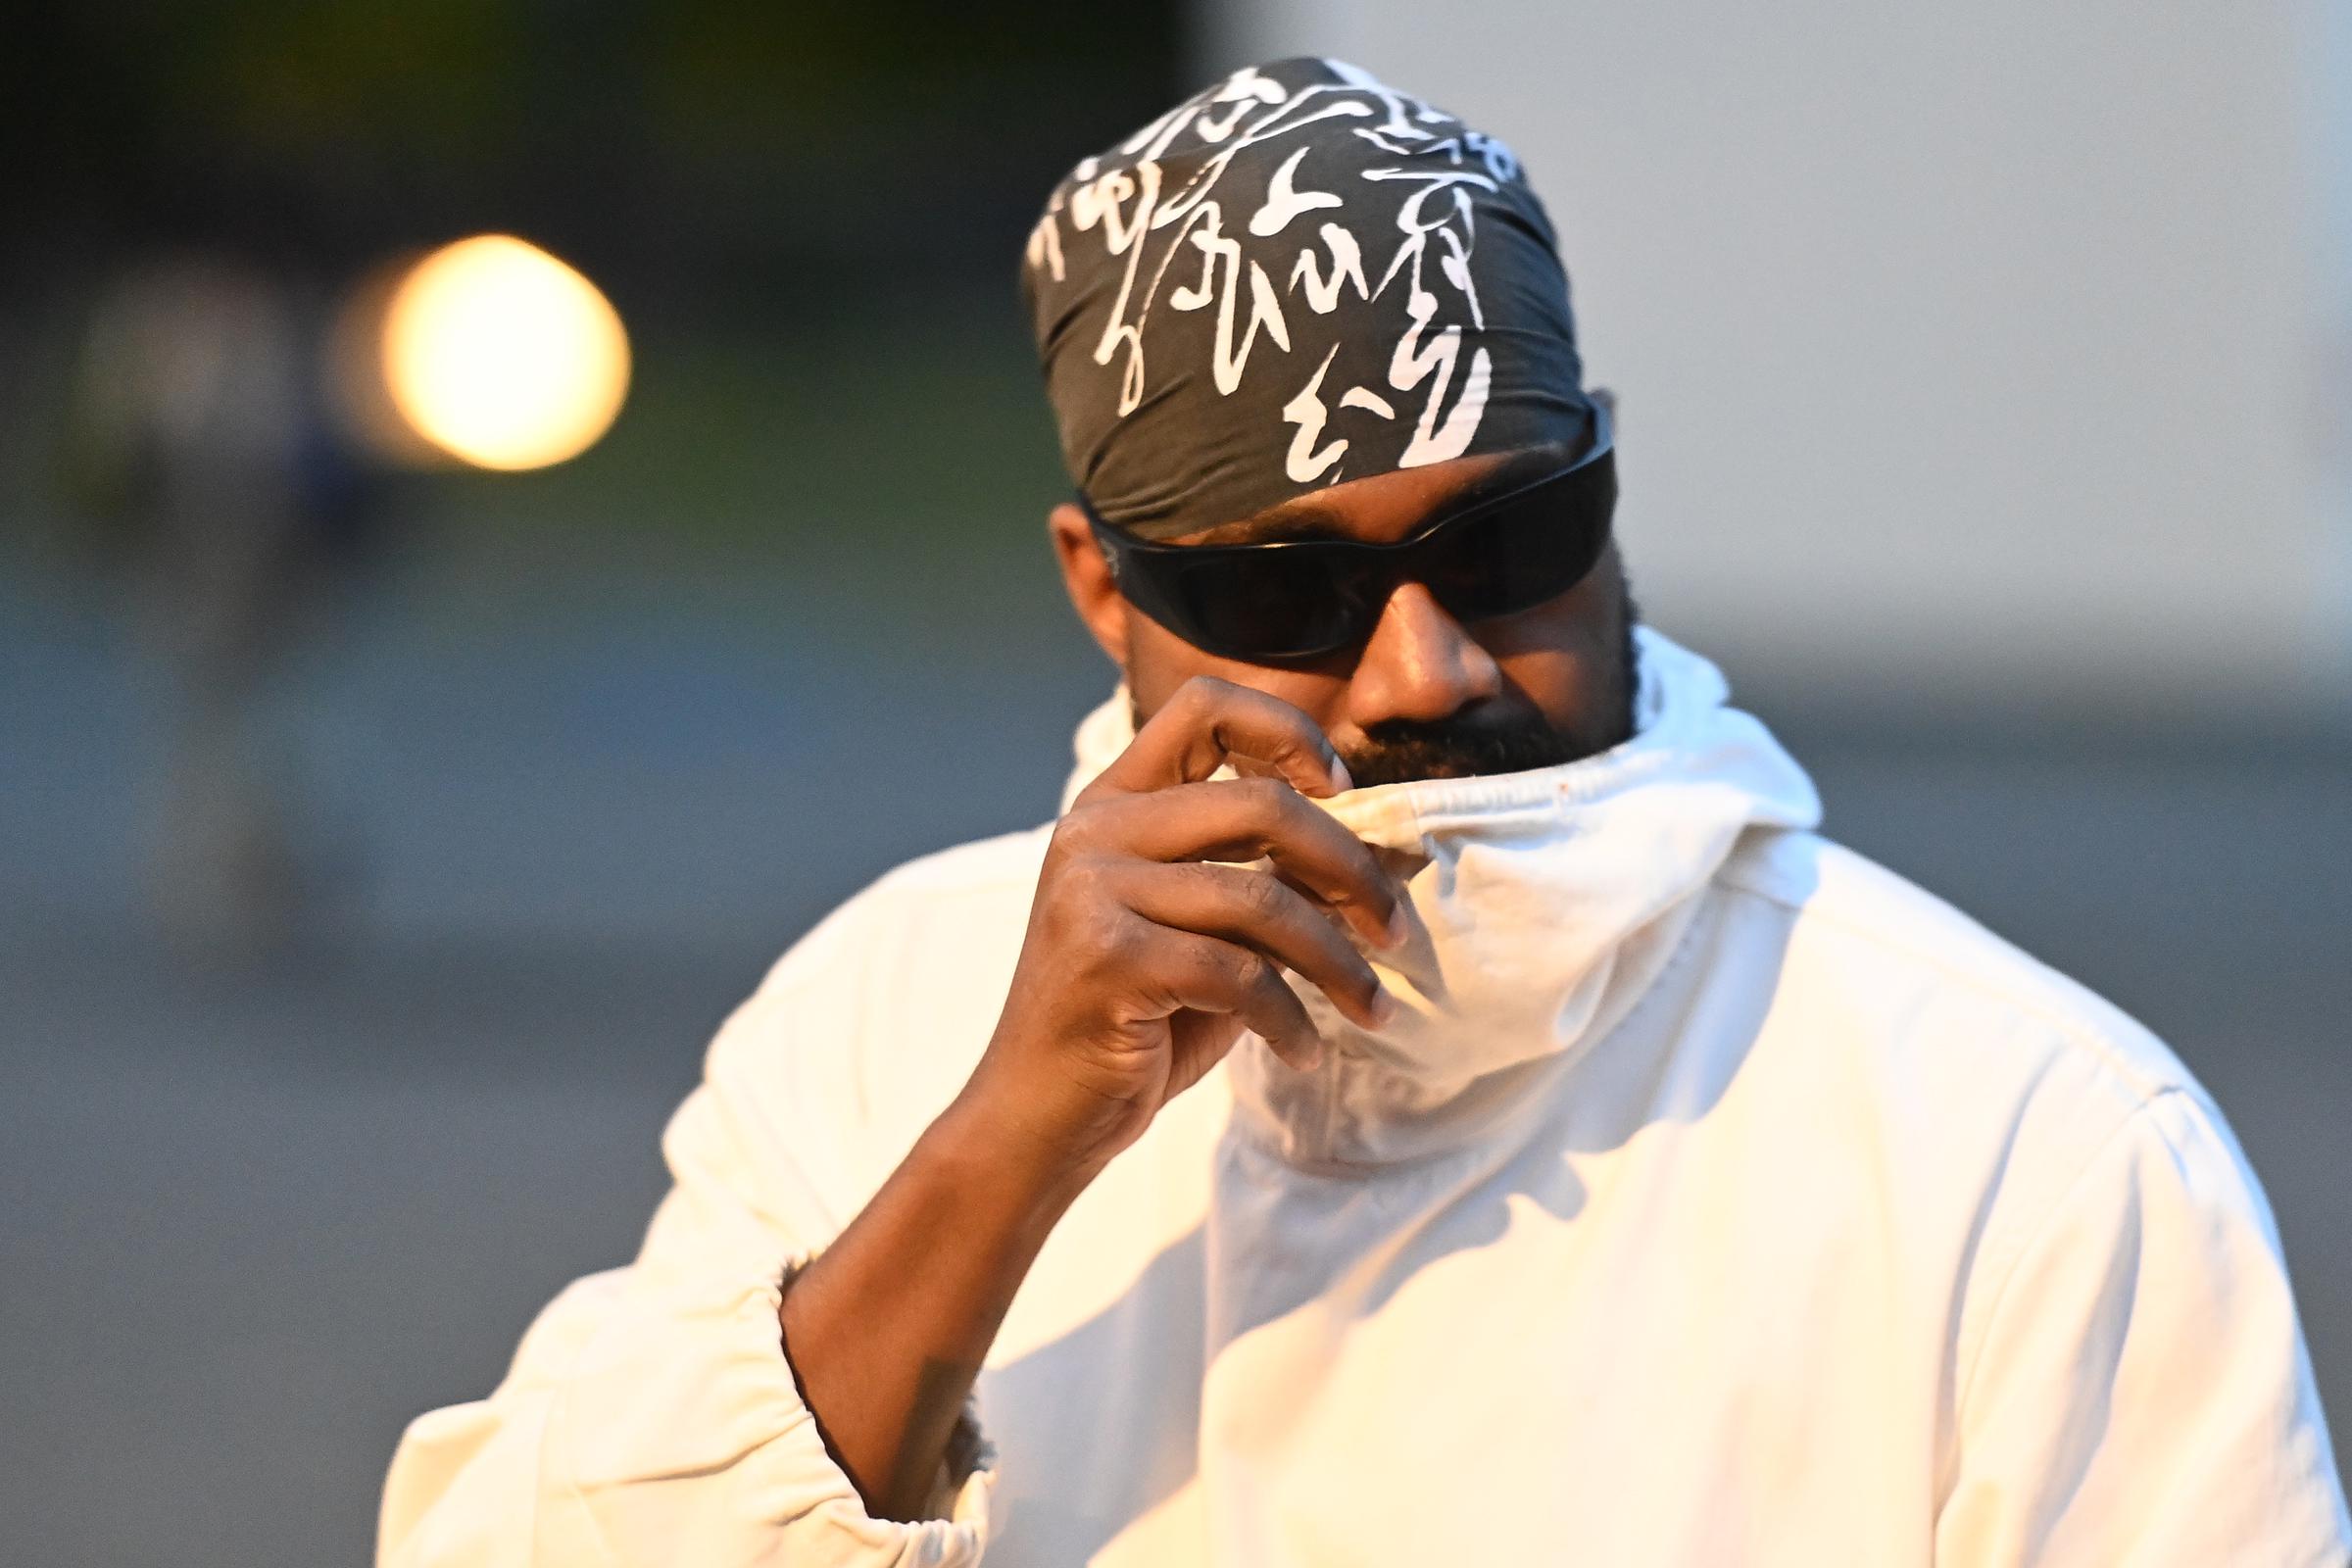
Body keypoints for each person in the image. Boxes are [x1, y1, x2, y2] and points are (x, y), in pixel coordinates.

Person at [379, 59, 2350, 1566]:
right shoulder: (885, 1012)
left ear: (1607, 489)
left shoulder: (2030, 1140)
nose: (1423, 670)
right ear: (1102, 590)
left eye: (1507, 537)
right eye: (1281, 596)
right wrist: (1004, 1143)